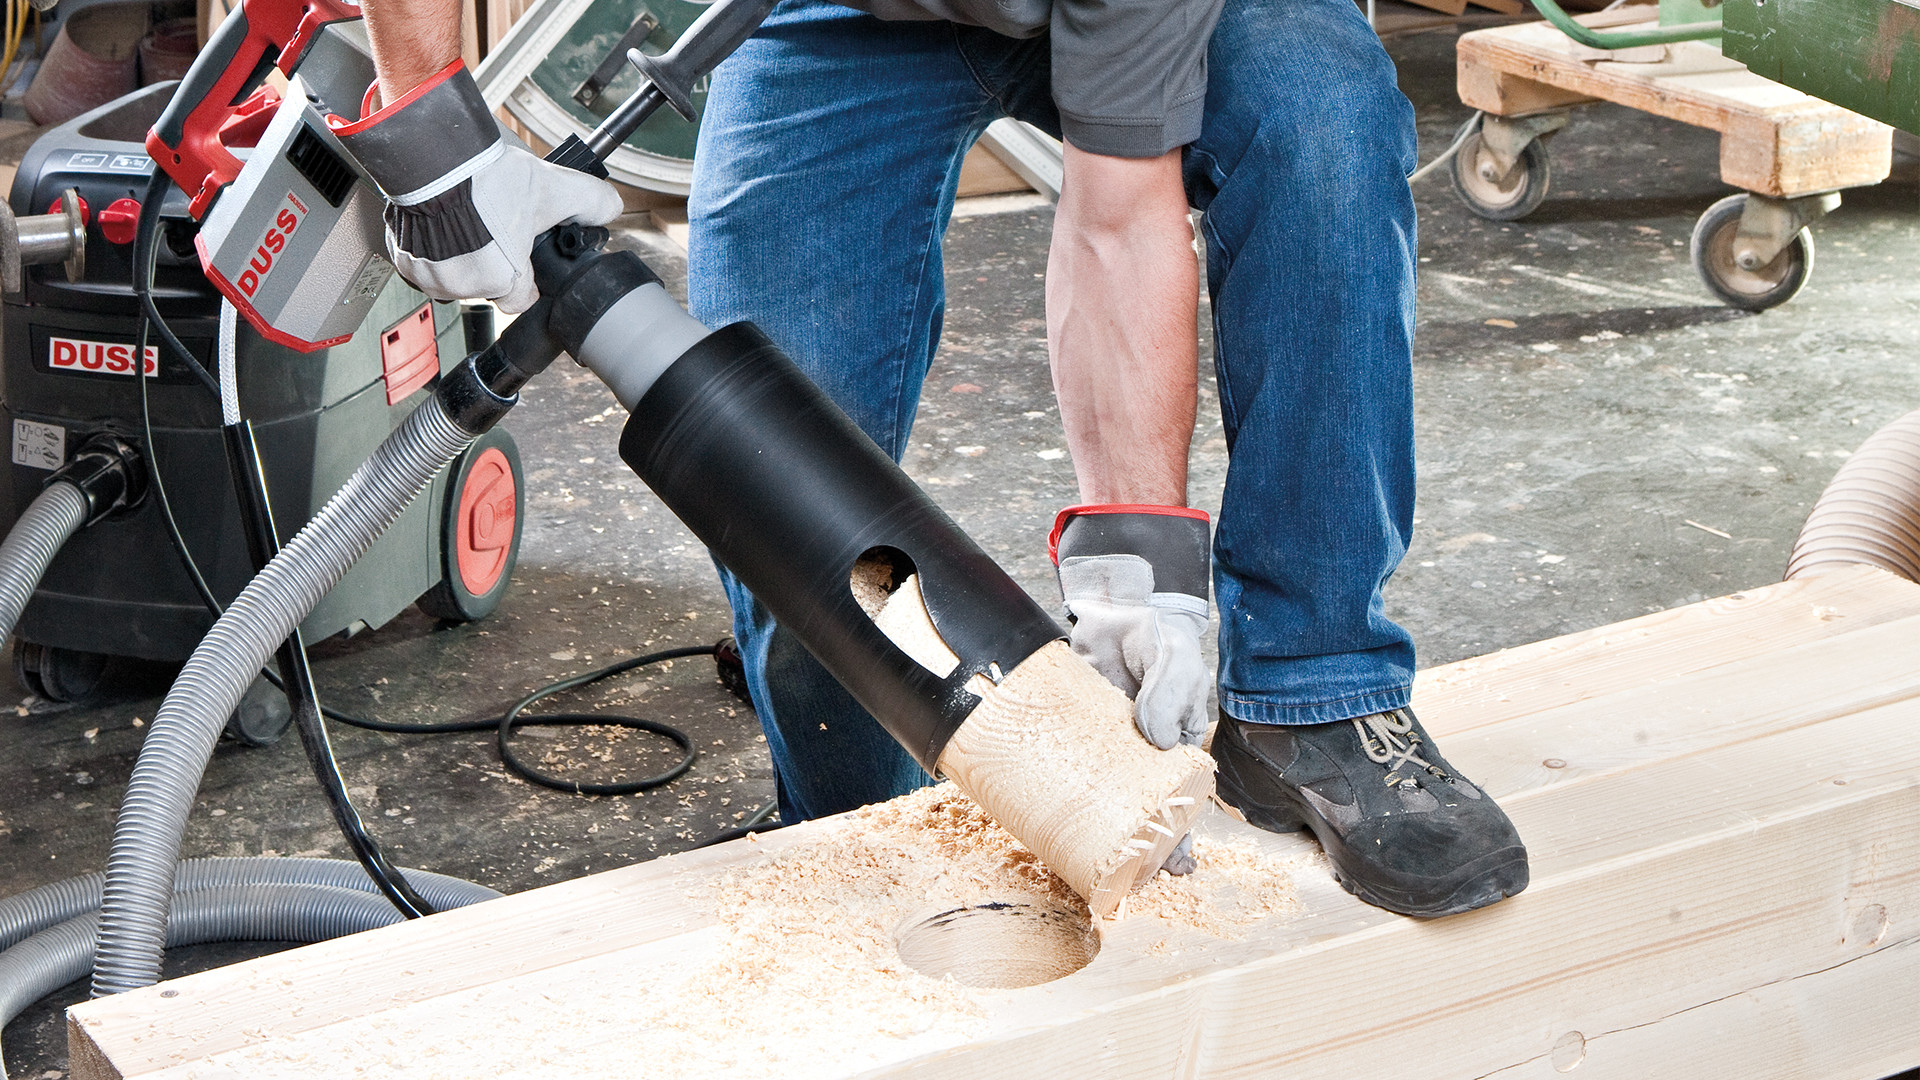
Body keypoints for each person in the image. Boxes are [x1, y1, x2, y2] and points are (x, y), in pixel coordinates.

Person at [347, 0, 1529, 918]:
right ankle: (859, 818)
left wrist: (1137, 573)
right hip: (839, 17)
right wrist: (428, 119)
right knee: (768, 460)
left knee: (1323, 118)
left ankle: (1317, 698)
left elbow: (1117, 218)